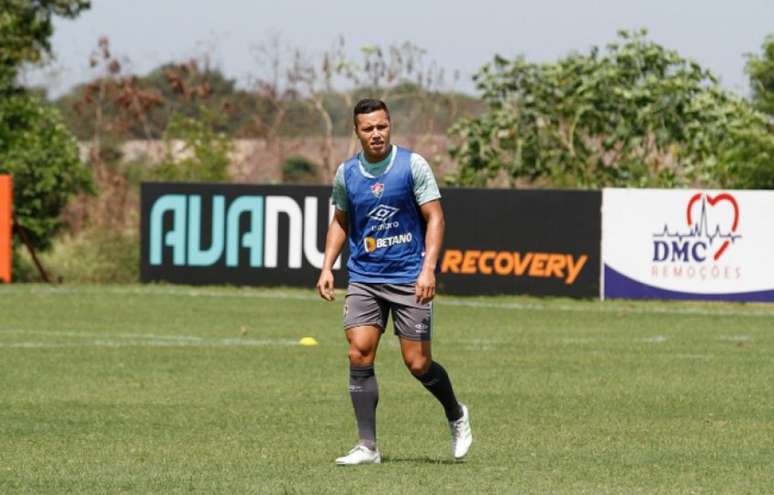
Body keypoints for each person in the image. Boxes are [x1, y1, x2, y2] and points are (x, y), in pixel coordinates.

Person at [316, 98, 472, 465]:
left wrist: (428, 268)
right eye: (368, 128)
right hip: (365, 277)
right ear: (356, 132)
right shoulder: (347, 173)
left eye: (381, 126)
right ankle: (367, 447)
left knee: (417, 364)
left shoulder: (412, 165)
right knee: (359, 351)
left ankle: (455, 413)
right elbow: (340, 220)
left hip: (407, 277)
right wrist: (327, 267)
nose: (376, 134)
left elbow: (435, 218)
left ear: (390, 125)